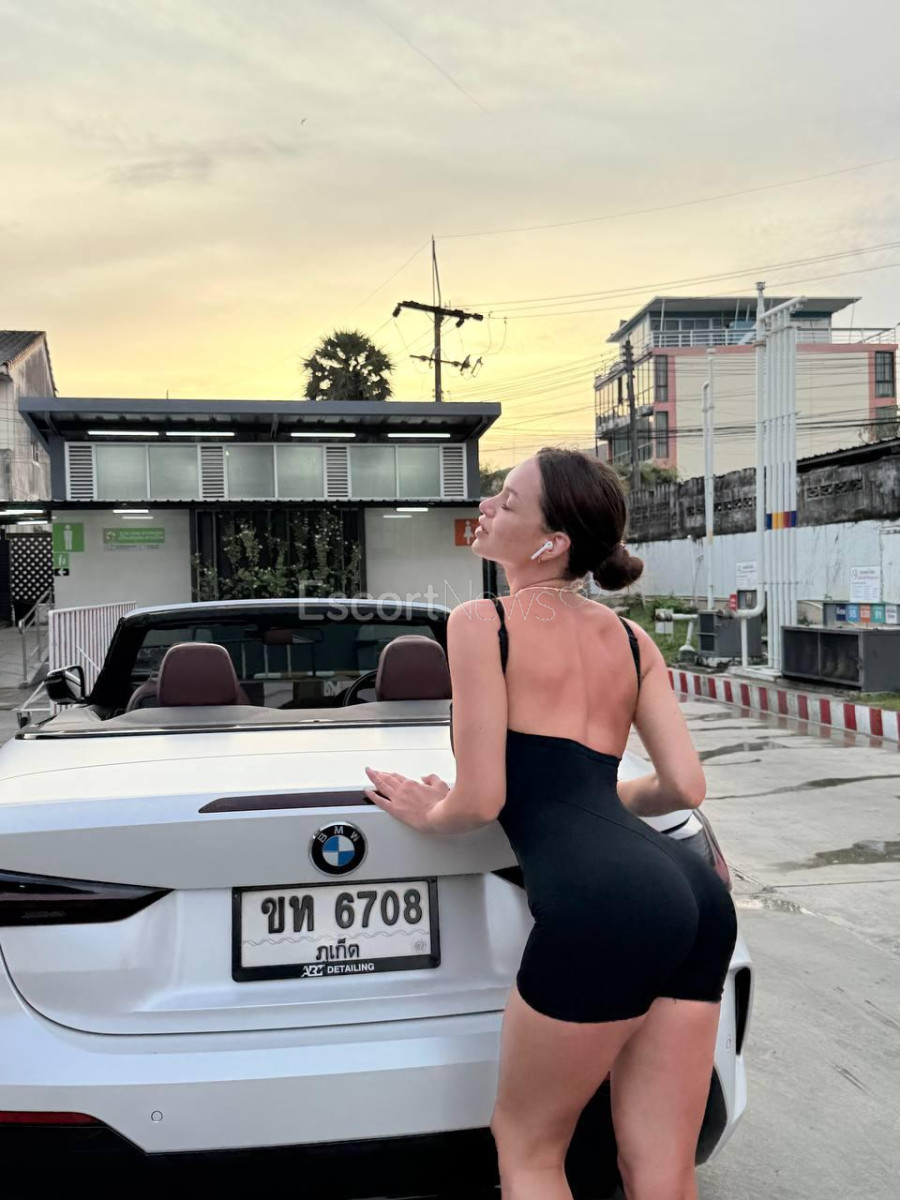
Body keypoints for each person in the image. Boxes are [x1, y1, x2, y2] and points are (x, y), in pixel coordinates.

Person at [364, 447, 738, 1200]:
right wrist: (595, 807)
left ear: (551, 542)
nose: (486, 507)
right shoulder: (631, 640)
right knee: (661, 1166)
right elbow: (685, 786)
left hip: (607, 904)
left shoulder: (483, 622)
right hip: (696, 897)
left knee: (529, 1149)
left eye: (506, 499)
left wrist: (427, 811)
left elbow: (481, 801)